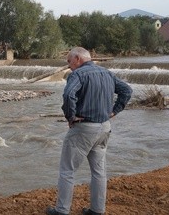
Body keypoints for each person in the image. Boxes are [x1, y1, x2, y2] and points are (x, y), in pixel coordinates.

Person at [46, 47, 132, 215]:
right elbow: (127, 91)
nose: (69, 66)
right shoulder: (106, 73)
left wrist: (70, 117)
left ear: (78, 58)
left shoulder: (78, 74)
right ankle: (97, 210)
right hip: (104, 127)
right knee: (99, 171)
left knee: (67, 170)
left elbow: (68, 95)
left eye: (69, 61)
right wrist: (114, 111)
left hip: (84, 128)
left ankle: (62, 211)